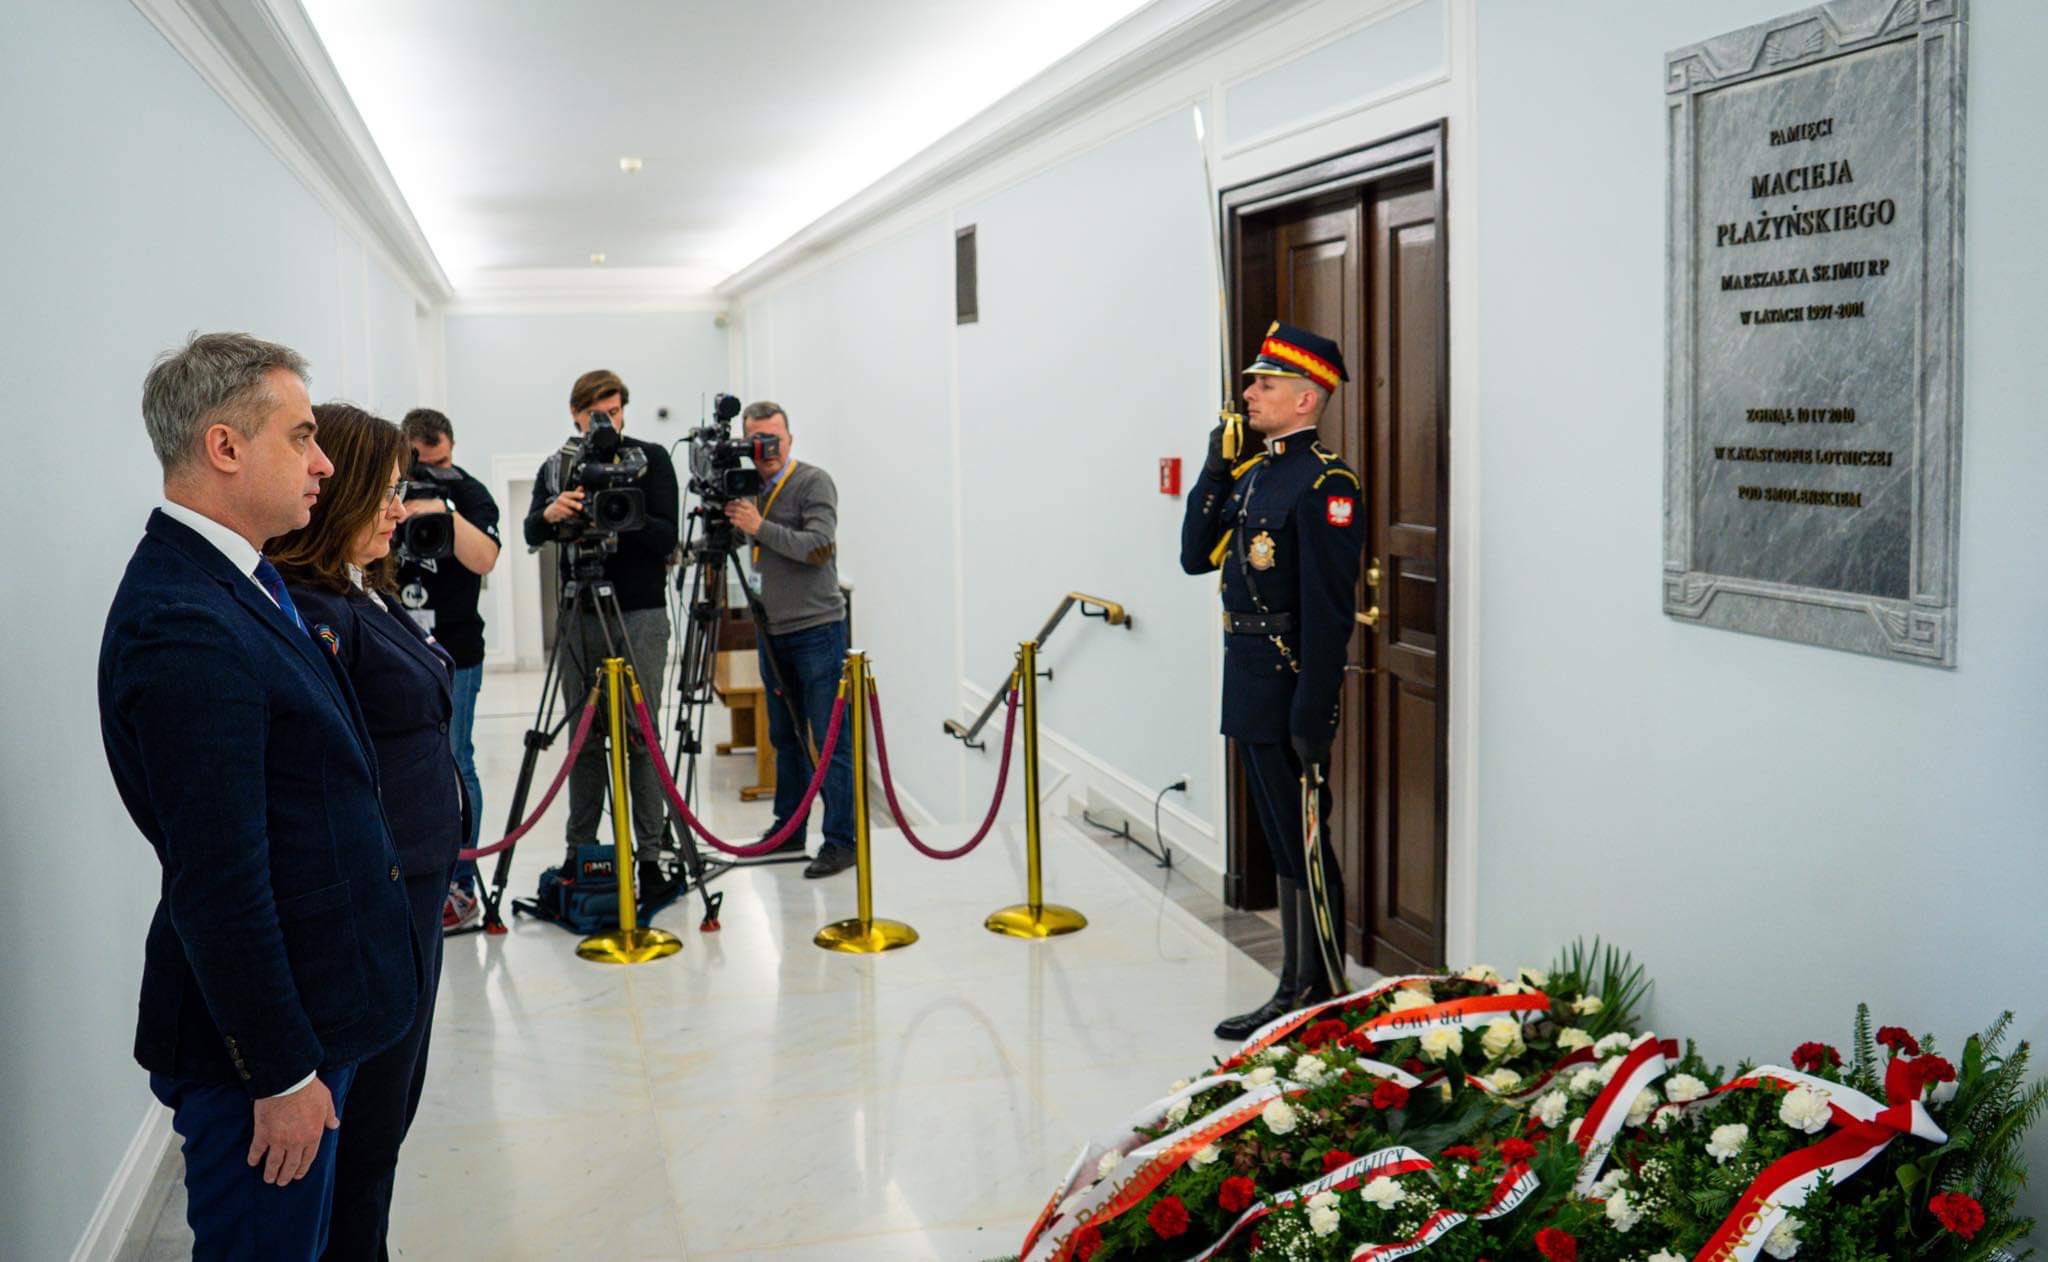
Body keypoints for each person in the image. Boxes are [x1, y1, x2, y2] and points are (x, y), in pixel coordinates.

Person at [99, 332, 417, 1259]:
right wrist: (280, 1076)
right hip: (267, 1058)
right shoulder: (184, 623)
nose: (324, 464)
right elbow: (219, 881)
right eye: (303, 437)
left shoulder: (243, 578)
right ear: (225, 448)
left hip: (323, 1011)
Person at [270, 404, 466, 1260]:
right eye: (384, 491)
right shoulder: (316, 612)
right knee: (370, 1123)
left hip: (419, 878)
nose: (398, 508)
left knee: (389, 1116)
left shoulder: (361, 590)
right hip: (383, 889)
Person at [1180, 321, 1365, 1040]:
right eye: (1252, 380)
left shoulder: (1327, 483)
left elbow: (1328, 607)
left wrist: (1315, 710)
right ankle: (1292, 986)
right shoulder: (1255, 473)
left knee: (1306, 839)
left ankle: (1315, 991)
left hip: (1291, 683)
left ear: (1305, 398)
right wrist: (1215, 467)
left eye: (1265, 383)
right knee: (1282, 840)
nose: (1248, 392)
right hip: (1248, 676)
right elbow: (1196, 556)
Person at [523, 369, 680, 886]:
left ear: (624, 410)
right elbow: (529, 530)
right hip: (579, 611)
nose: (605, 421)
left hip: (639, 612)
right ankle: (581, 852)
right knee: (583, 738)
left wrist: (618, 511)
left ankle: (652, 857)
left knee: (642, 735)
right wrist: (553, 511)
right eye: (595, 413)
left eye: (613, 411)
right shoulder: (558, 466)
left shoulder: (648, 459)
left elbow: (666, 536)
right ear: (575, 413)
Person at [723, 401, 857, 879]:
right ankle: (789, 831)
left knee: (829, 737)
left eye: (774, 439)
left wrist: (760, 526)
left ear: (790, 439)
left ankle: (842, 841)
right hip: (772, 629)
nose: (767, 450)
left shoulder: (812, 482)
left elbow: (819, 547)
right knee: (784, 737)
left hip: (817, 629)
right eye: (757, 441)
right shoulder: (748, 491)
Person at [392, 407, 501, 932]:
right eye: (425, 465)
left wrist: (444, 512)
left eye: (444, 461)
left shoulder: (470, 492)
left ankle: (461, 885)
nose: (435, 471)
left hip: (457, 651)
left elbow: (485, 560)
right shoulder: (385, 492)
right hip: (393, 645)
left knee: (458, 761)